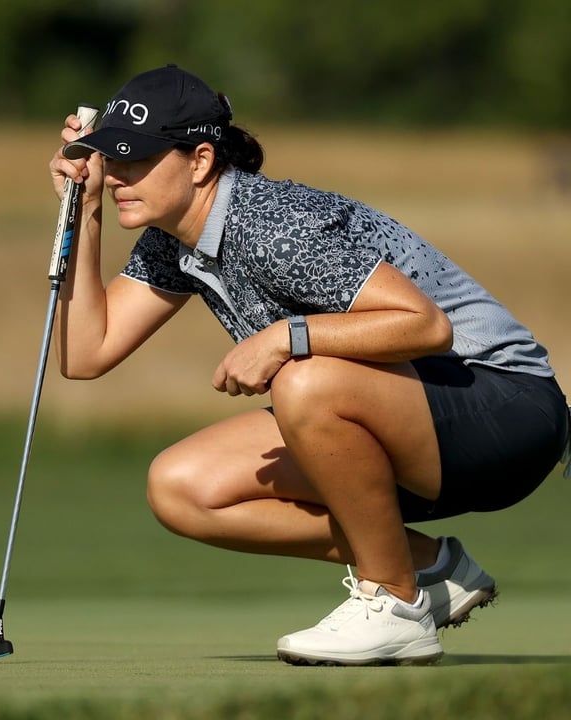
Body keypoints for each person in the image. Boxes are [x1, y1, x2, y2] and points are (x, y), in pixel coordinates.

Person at [47, 64, 568, 666]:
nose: (119, 175)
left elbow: (426, 325)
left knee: (303, 377)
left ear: (199, 161)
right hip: (413, 422)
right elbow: (86, 353)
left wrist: (283, 337)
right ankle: (427, 568)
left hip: (506, 408)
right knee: (182, 487)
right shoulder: (173, 237)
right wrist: (81, 214)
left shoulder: (267, 221)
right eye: (112, 158)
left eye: (136, 158)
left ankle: (393, 602)